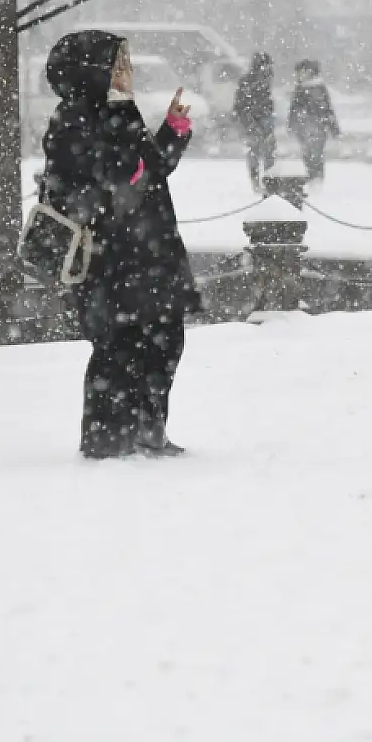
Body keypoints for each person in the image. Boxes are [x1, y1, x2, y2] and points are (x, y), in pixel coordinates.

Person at [42, 30, 200, 459]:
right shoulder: (74, 118)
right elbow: (118, 176)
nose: (126, 73)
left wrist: (173, 129)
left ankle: (149, 428)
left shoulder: (116, 112)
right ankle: (109, 439)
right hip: (112, 258)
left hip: (148, 251)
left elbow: (151, 168)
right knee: (119, 349)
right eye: (118, 64)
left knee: (164, 341)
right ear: (93, 70)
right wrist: (124, 116)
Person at [287, 59, 342, 183]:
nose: (299, 75)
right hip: (305, 127)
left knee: (314, 155)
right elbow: (294, 109)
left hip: (316, 126)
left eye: (302, 71)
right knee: (309, 154)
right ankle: (314, 178)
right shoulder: (301, 88)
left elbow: (327, 109)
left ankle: (316, 178)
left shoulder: (315, 88)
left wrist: (333, 127)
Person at [233, 52, 277, 192]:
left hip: (262, 119)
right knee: (256, 151)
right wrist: (249, 122)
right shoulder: (249, 82)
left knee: (266, 151)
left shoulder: (264, 80)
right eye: (267, 66)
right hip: (251, 119)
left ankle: (268, 181)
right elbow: (241, 105)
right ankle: (259, 182)